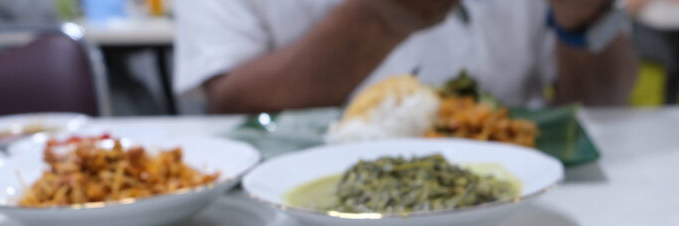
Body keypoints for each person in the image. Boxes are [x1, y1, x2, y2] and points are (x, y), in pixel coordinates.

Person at [174, 0, 638, 113]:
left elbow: (607, 103)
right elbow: (227, 101)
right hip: (301, 216)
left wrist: (585, 18)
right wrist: (375, 19)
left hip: (527, 198)